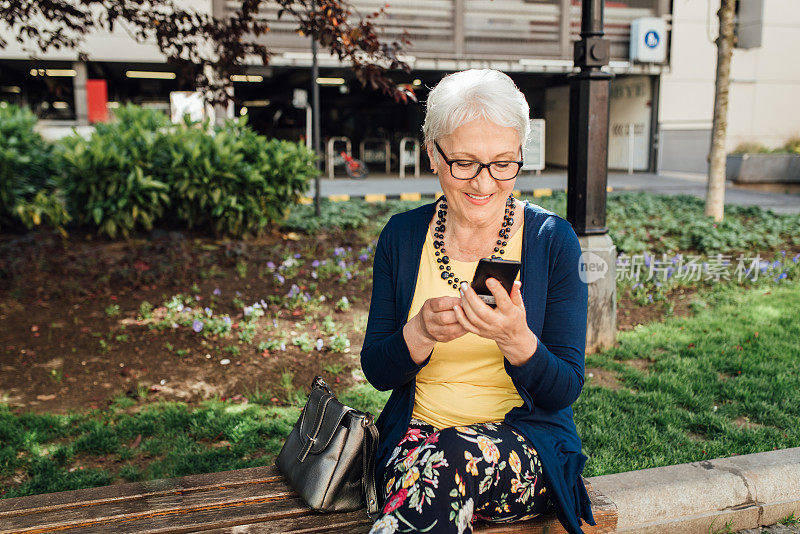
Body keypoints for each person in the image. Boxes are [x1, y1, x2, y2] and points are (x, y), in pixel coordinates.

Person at [361, 69, 593, 534]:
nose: (485, 184)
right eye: (464, 163)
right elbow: (378, 370)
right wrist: (419, 333)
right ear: (433, 155)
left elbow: (564, 388)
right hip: (416, 442)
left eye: (504, 163)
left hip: (523, 448)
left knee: (447, 463)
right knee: (436, 470)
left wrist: (517, 341)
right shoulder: (403, 237)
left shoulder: (552, 241)